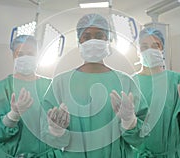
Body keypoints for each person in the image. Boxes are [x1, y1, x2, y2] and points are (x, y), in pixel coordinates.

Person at [44, 13, 148, 158]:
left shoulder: (125, 82)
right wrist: (56, 130)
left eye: (99, 35)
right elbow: (47, 137)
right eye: (86, 36)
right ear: (79, 41)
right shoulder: (60, 83)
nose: (93, 40)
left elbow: (141, 136)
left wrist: (130, 121)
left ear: (108, 39)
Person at [0, 35, 67, 158]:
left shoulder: (51, 87)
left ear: (38, 56)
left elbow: (64, 127)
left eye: (30, 54)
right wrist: (13, 115)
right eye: (20, 54)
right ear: (13, 56)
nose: (25, 58)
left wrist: (58, 129)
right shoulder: (1, 89)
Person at [133, 27, 180, 158]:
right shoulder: (130, 83)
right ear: (138, 51)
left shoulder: (178, 81)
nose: (150, 50)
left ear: (162, 50)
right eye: (144, 46)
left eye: (156, 45)